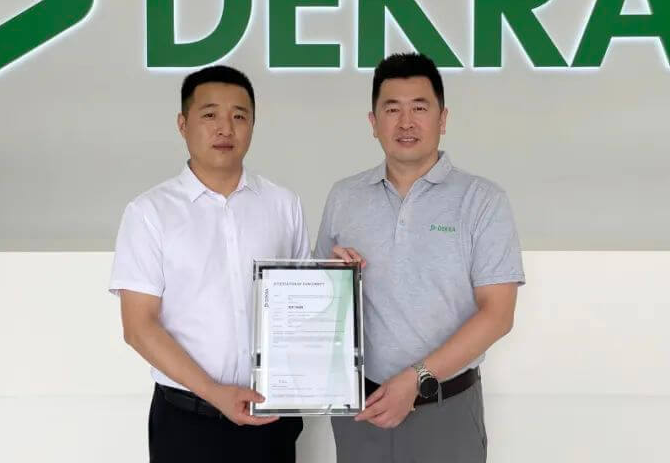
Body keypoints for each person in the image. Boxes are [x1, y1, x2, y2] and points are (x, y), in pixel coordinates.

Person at [315, 52, 526, 462]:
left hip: (446, 410)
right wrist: (334, 280)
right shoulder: (344, 197)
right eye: (392, 109)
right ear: (373, 122)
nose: (406, 122)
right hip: (362, 412)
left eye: (420, 108)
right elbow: (320, 308)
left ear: (443, 119)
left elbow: (498, 314)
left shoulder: (482, 200)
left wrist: (415, 380)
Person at [108, 65, 306, 462]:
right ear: (183, 124)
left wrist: (343, 278)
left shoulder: (283, 205)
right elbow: (139, 327)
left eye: (239, 116)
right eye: (210, 114)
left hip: (269, 417)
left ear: (253, 125)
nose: (225, 128)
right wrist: (214, 392)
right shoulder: (149, 213)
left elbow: (301, 306)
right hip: (187, 421)